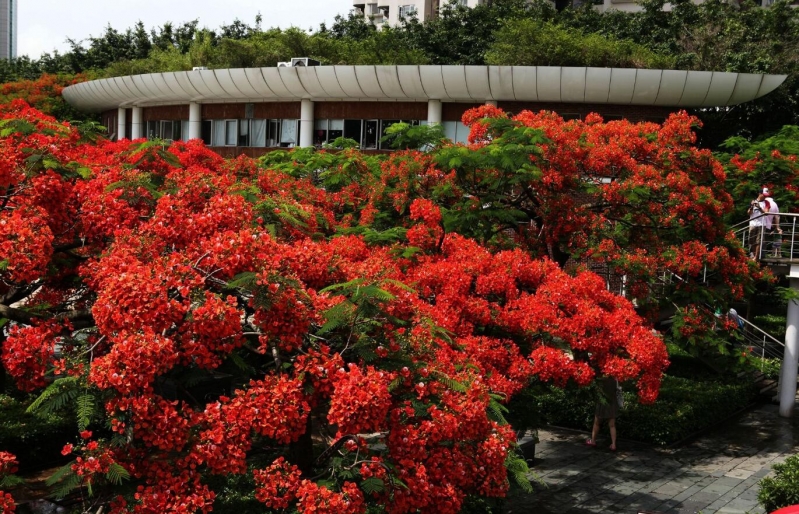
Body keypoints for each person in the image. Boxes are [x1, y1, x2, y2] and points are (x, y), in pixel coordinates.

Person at [586, 376, 620, 451]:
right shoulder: (615, 378)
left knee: (597, 423)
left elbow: (596, 390)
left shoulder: (600, 378)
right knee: (612, 425)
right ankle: (613, 445)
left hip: (602, 403)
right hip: (612, 403)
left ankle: (593, 441)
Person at [748, 192, 769, 259]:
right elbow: (749, 213)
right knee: (752, 240)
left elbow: (766, 213)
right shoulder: (753, 201)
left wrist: (759, 207)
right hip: (753, 224)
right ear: (759, 194)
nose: (765, 197)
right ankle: (753, 255)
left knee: (758, 241)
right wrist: (751, 206)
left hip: (761, 224)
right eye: (764, 195)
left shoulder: (766, 202)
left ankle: (756, 257)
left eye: (766, 196)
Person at [763, 189, 783, 256]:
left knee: (757, 240)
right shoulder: (774, 204)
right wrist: (777, 227)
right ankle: (763, 254)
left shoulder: (763, 202)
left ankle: (756, 255)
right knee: (764, 240)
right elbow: (777, 217)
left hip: (759, 224)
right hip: (768, 226)